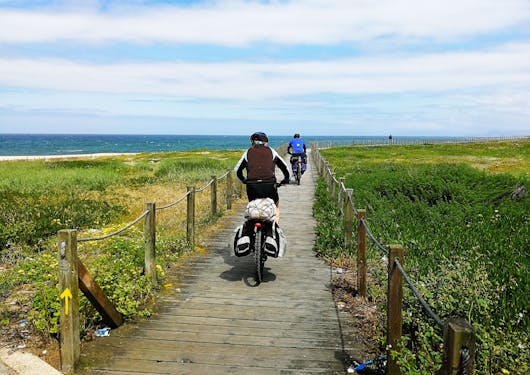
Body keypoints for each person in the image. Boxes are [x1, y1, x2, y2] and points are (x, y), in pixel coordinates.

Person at [234, 132, 290, 209]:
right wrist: (286, 179)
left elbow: (238, 170)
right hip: (269, 185)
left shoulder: (248, 152)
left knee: (252, 207)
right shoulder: (271, 151)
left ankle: (251, 219)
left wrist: (244, 180)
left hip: (252, 186)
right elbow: (284, 167)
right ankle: (275, 220)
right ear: (266, 142)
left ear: (252, 142)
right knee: (275, 206)